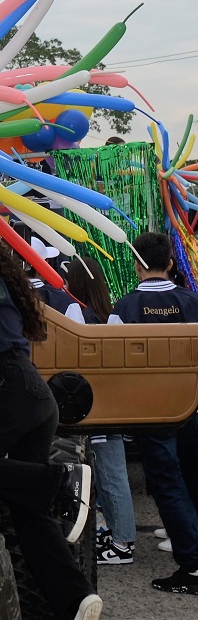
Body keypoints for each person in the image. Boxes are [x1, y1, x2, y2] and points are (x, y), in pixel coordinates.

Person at [0, 221, 103, 620]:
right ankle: (77, 598)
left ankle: (64, 481)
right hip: (27, 397)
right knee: (29, 512)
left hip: (17, 390)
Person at [109, 231, 198, 595]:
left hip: (150, 409)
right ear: (172, 263)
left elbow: (113, 367)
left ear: (136, 265)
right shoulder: (193, 301)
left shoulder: (123, 308)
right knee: (193, 478)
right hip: (193, 404)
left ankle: (192, 566)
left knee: (167, 484)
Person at [64, 256, 137, 565]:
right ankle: (117, 536)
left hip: (89, 408)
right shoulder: (112, 313)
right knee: (112, 474)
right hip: (112, 404)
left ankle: (122, 544)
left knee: (109, 475)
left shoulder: (73, 312)